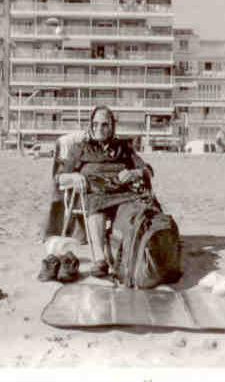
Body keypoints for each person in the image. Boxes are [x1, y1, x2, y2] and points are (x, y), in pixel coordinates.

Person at [55, 106, 154, 277]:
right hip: (95, 193)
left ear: (112, 126)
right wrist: (74, 177)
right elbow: (59, 178)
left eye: (104, 125)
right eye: (95, 124)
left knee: (140, 209)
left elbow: (148, 171)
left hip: (125, 194)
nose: (99, 129)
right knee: (96, 204)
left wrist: (134, 173)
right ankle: (100, 260)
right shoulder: (80, 148)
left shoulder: (124, 147)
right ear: (90, 125)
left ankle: (136, 251)